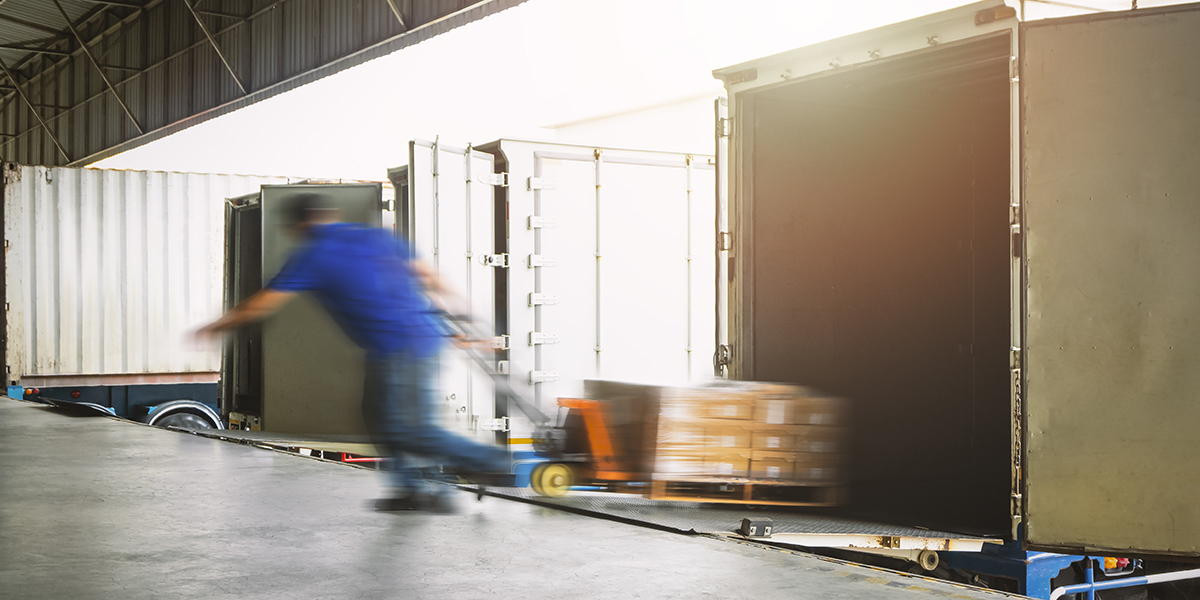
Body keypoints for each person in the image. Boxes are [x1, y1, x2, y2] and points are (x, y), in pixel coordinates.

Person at [196, 192, 508, 512]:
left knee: (409, 427)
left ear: (299, 226)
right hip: (416, 340)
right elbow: (426, 276)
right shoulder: (377, 237)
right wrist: (462, 312)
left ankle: (489, 460)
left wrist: (215, 327)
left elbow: (263, 303)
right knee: (376, 415)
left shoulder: (313, 252)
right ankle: (411, 489)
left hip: (399, 347)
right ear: (328, 215)